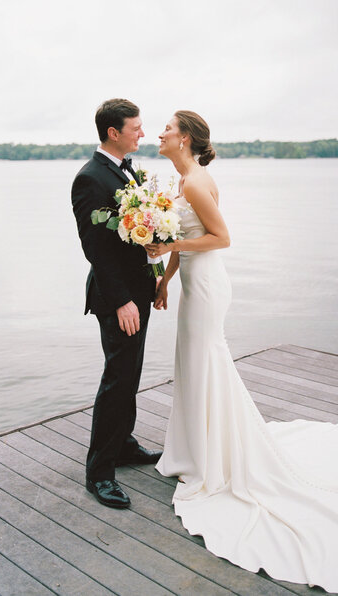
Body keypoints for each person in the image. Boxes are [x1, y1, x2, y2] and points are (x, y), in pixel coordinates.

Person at [146, 110, 338, 592]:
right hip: (192, 281)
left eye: (168, 128)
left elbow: (220, 238)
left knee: (205, 361)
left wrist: (168, 248)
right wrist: (164, 279)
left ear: (184, 138)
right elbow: (181, 241)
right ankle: (196, 449)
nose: (161, 133)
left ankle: (212, 457)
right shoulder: (183, 178)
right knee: (193, 365)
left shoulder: (193, 183)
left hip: (208, 284)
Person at [71, 98, 161, 510]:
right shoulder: (91, 178)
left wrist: (153, 266)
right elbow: (97, 250)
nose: (143, 133)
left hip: (138, 290)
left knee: (130, 374)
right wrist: (124, 300)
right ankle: (99, 473)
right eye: (136, 127)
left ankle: (123, 445)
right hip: (116, 298)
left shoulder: (128, 172)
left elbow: (131, 238)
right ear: (114, 132)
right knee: (117, 378)